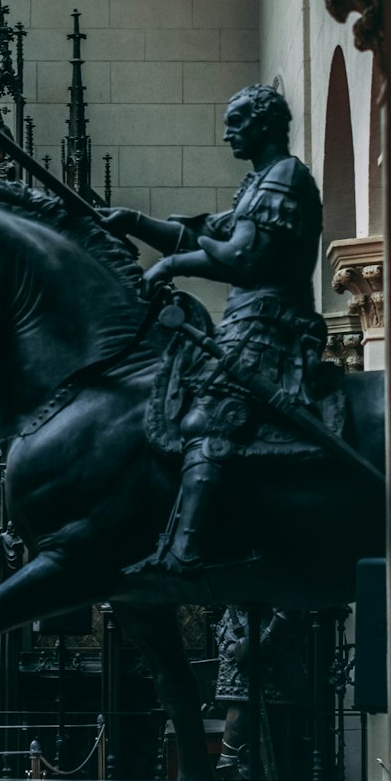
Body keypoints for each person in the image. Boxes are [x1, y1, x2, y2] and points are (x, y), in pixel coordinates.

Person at [104, 84, 342, 572]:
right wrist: (133, 221)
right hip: (247, 319)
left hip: (271, 323)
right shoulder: (258, 183)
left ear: (263, 124)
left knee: (209, 417)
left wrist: (170, 267)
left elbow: (241, 256)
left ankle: (186, 550)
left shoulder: (285, 177)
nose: (226, 132)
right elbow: (202, 234)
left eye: (235, 121)